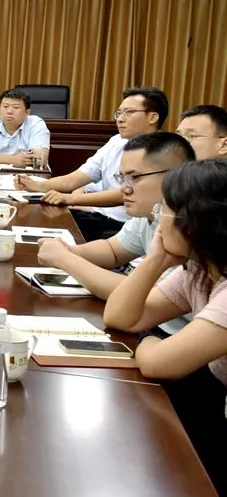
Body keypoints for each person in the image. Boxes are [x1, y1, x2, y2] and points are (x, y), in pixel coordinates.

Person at [103, 160, 227, 495]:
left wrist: (147, 339)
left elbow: (158, 363)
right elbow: (120, 316)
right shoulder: (200, 270)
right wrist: (155, 259)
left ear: (195, 222)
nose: (158, 219)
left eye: (165, 210)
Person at [37, 132, 194, 299]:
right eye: (122, 178)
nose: (124, 189)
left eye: (134, 177)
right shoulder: (148, 213)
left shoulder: (190, 223)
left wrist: (65, 259)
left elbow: (152, 295)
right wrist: (68, 250)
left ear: (174, 176)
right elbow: (113, 251)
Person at [16, 86, 167, 241]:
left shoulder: (161, 152)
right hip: (96, 216)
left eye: (129, 112)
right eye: (119, 113)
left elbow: (126, 193)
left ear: (152, 117)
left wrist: (70, 199)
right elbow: (75, 179)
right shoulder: (116, 141)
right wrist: (37, 185)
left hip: (123, 227)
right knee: (32, 221)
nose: (120, 119)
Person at [0, 88, 51, 167]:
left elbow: (39, 160)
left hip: (26, 174)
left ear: (27, 112)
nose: (9, 111)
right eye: (5, 106)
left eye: (16, 107)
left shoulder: (35, 124)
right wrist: (14, 159)